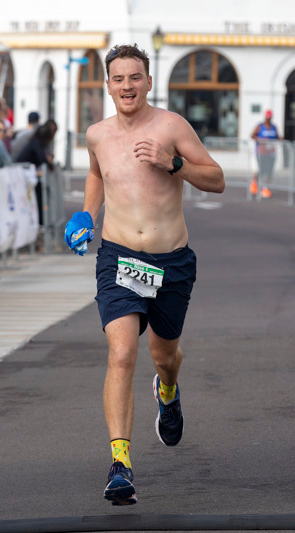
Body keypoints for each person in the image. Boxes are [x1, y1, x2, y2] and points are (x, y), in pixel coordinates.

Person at [64, 44, 224, 506]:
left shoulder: (172, 127)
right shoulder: (97, 135)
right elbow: (97, 175)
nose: (127, 86)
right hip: (119, 259)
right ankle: (120, 464)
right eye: (118, 78)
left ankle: (167, 391)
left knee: (163, 355)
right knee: (121, 354)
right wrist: (87, 214)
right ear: (108, 85)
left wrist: (174, 163)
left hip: (170, 262)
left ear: (149, 82)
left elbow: (216, 179)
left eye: (135, 77)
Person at [250, 109, 281, 200]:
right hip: (261, 152)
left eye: (269, 118)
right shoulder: (260, 126)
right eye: (267, 118)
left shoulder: (274, 127)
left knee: (269, 171)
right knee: (261, 169)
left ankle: (265, 188)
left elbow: (277, 137)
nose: (268, 119)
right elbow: (252, 135)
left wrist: (281, 139)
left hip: (270, 153)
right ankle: (255, 182)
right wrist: (260, 139)